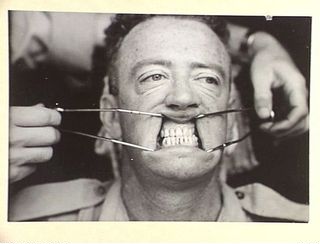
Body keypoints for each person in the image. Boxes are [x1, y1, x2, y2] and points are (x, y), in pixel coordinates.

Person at [9, 14, 308, 221]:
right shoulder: (18, 223)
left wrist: (260, 43)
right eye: (153, 76)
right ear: (111, 117)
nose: (182, 98)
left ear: (231, 124)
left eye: (207, 79)